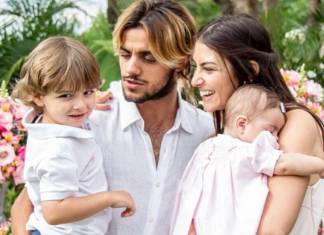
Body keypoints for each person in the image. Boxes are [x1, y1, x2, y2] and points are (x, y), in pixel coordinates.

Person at [10, 1, 213, 235]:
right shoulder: (86, 119)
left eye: (148, 58)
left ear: (179, 62)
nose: (131, 69)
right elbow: (27, 206)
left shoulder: (205, 133)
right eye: (125, 55)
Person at [189, 14, 324, 234]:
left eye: (209, 69)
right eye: (196, 67)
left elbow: (271, 231)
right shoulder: (224, 140)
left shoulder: (295, 124)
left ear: (250, 71)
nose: (196, 80)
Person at [11, 36, 135, 235]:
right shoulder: (58, 148)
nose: (80, 105)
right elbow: (55, 211)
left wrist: (91, 99)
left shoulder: (48, 122)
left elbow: (76, 102)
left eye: (87, 92)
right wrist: (110, 198)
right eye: (66, 95)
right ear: (37, 96)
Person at [170, 85, 324, 235]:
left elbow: (187, 193)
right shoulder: (250, 152)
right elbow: (284, 165)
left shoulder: (204, 149)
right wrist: (319, 165)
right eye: (271, 130)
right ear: (242, 124)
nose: (276, 139)